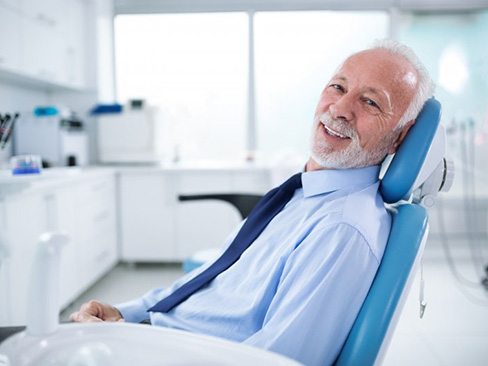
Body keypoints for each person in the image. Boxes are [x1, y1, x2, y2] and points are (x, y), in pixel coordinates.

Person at [70, 39, 434, 365]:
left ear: (399, 138)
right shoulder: (301, 194)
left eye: (370, 101)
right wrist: (126, 315)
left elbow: (276, 360)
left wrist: (132, 347)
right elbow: (213, 281)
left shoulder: (343, 228)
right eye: (338, 86)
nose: (339, 108)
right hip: (148, 336)